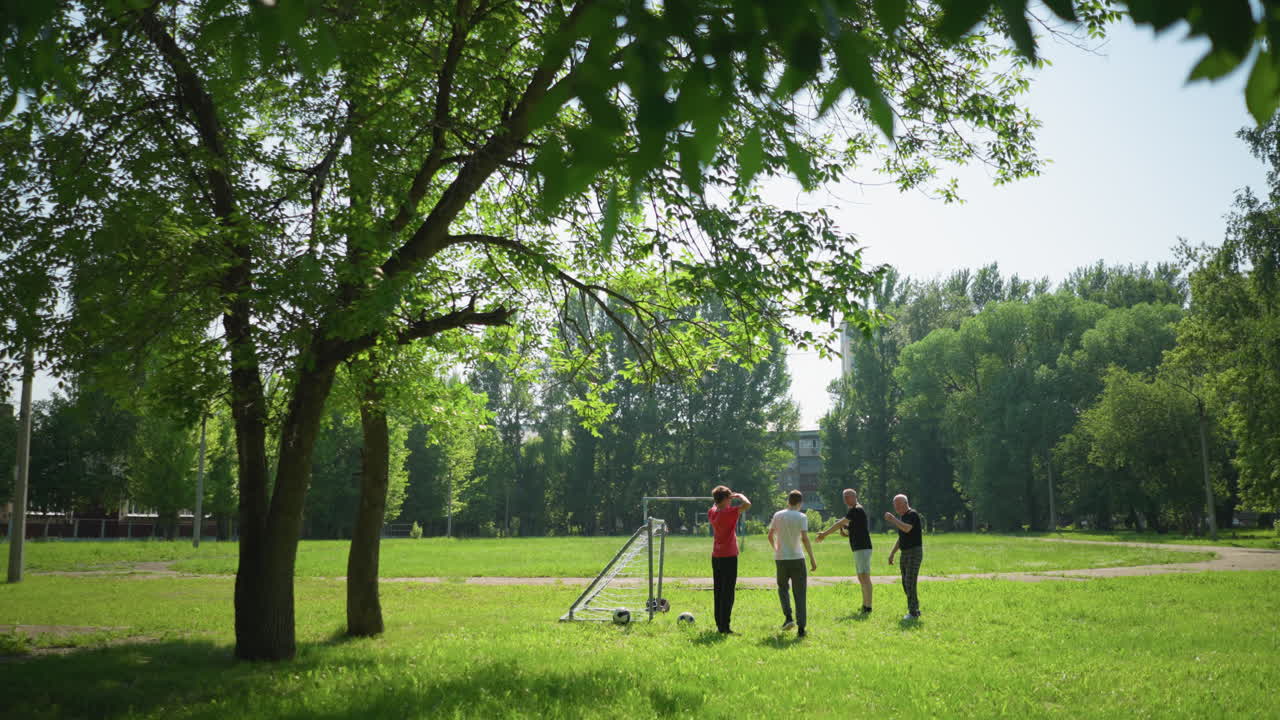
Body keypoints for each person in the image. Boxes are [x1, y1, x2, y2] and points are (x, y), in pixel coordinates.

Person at [767, 489, 818, 637]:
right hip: (797, 558)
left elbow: (770, 535)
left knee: (783, 588)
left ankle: (788, 618)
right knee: (800, 593)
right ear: (800, 503)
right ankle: (801, 628)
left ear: (788, 501)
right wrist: (813, 559)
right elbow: (804, 539)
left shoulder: (778, 515)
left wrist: (776, 548)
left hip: (781, 558)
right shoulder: (801, 517)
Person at [816, 488, 873, 615]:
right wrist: (844, 530)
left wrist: (825, 533)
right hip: (858, 547)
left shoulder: (856, 509)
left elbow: (840, 523)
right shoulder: (853, 511)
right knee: (861, 576)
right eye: (844, 497)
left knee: (865, 576)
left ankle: (868, 606)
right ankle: (865, 604)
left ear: (855, 497)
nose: (846, 499)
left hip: (863, 547)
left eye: (848, 496)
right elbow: (849, 530)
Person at [708, 485, 750, 634]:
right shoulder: (729, 513)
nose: (731, 501)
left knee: (718, 591)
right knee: (728, 592)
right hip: (729, 556)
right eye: (729, 499)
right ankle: (725, 626)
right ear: (726, 499)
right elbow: (747, 504)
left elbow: (715, 505)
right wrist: (739, 495)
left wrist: (723, 497)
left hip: (716, 556)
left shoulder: (712, 513)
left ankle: (720, 623)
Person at [885, 493, 923, 620]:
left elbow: (907, 529)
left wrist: (893, 520)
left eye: (898, 505)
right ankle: (915, 608)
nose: (896, 508)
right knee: (905, 583)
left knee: (910, 582)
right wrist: (892, 553)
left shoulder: (912, 515)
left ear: (905, 504)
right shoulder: (902, 518)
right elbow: (901, 538)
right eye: (894, 505)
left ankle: (913, 612)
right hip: (905, 552)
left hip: (914, 552)